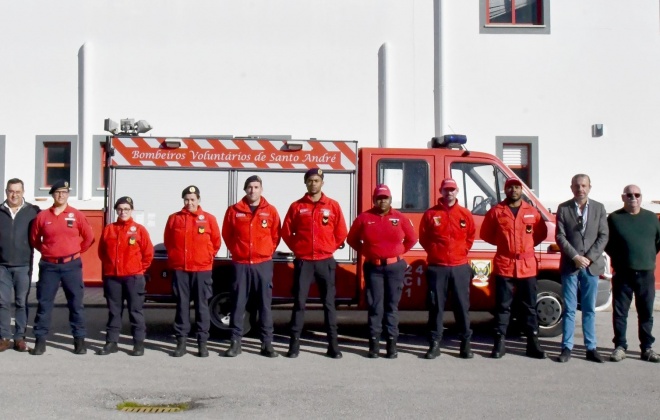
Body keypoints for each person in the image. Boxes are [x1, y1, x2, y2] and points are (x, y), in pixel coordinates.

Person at [282, 168, 348, 359]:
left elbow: (341, 231)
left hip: (324, 262)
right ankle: (294, 345)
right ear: (305, 183)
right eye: (310, 180)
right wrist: (298, 248)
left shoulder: (333, 205)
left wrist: (329, 248)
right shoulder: (296, 206)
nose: (313, 183)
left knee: (329, 304)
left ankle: (333, 346)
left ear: (322, 183)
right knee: (299, 303)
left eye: (317, 180)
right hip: (304, 262)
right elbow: (286, 231)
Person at [480, 177, 548, 359]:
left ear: (522, 190)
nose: (514, 191)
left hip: (527, 266)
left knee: (529, 307)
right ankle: (499, 343)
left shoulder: (532, 212)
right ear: (505, 190)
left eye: (517, 187)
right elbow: (486, 234)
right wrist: (505, 246)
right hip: (505, 265)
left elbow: (540, 234)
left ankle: (533, 343)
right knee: (503, 307)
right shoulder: (496, 212)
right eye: (510, 188)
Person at [347, 184, 417, 359]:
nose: (382, 201)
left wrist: (397, 253)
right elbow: (351, 239)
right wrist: (368, 253)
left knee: (391, 307)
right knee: (375, 307)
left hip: (395, 268)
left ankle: (392, 345)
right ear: (374, 200)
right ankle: (374, 345)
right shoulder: (364, 218)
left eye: (385, 198)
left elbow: (412, 239)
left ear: (390, 200)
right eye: (379, 198)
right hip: (374, 268)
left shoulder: (399, 218)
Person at [29, 180, 94, 355]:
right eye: (58, 192)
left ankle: (79, 341)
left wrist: (77, 252)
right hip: (49, 266)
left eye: (65, 192)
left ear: (68, 194)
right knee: (44, 304)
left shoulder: (76, 215)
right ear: (52, 194)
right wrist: (47, 251)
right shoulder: (42, 217)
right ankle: (40, 341)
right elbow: (34, 240)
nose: (61, 195)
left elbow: (89, 237)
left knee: (76, 304)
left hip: (71, 266)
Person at [222, 175, 281, 358]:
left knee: (265, 305)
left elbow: (275, 235)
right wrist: (238, 251)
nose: (252, 190)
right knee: (238, 304)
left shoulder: (270, 211)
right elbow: (227, 234)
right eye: (249, 187)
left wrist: (266, 251)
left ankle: (267, 344)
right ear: (245, 189)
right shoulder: (234, 210)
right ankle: (235, 342)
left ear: (261, 189)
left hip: (262, 264)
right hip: (241, 264)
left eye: (256, 187)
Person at [419, 178, 475, 359]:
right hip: (438, 268)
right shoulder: (430, 214)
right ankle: (434, 344)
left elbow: (471, 236)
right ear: (440, 191)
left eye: (452, 189)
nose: (449, 193)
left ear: (457, 191)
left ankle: (465, 344)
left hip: (460, 267)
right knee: (436, 307)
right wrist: (436, 253)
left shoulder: (465, 214)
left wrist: (462, 251)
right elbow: (424, 238)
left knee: (462, 307)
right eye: (446, 190)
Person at [555, 174, 608, 363]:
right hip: (571, 265)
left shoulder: (599, 208)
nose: (580, 189)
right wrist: (576, 257)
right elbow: (560, 237)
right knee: (569, 308)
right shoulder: (564, 208)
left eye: (584, 186)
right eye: (577, 186)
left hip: (591, 267)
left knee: (589, 309)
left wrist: (588, 258)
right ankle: (566, 347)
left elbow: (603, 236)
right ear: (571, 188)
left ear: (589, 187)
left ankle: (591, 347)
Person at [164, 185, 221, 358]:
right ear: (183, 200)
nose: (190, 202)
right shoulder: (174, 219)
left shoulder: (209, 219)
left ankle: (202, 344)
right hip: (181, 269)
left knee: (202, 307)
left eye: (193, 199)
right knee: (181, 306)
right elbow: (168, 241)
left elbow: (216, 242)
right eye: (187, 199)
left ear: (199, 200)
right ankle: (181, 342)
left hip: (202, 270)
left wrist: (206, 256)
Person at [606, 184, 660, 363]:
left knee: (646, 312)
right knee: (620, 312)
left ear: (641, 197)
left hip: (645, 273)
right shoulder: (614, 218)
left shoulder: (651, 218)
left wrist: (646, 257)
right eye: (629, 195)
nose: (633, 198)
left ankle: (647, 348)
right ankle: (620, 346)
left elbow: (657, 242)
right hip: (623, 273)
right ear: (623, 198)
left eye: (637, 195)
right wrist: (622, 259)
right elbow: (607, 243)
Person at [97, 196, 154, 356]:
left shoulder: (139, 230)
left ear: (131, 211)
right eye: (120, 209)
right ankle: (111, 342)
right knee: (114, 312)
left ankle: (138, 344)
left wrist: (138, 270)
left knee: (135, 311)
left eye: (126, 209)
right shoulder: (109, 229)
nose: (123, 212)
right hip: (113, 277)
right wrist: (110, 268)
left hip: (133, 278)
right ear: (116, 210)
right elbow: (102, 252)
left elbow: (148, 254)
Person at [0, 178, 40, 353]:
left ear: (23, 192)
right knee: (2, 303)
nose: (14, 194)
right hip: (2, 266)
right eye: (11, 191)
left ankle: (19, 338)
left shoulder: (33, 211)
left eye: (17, 191)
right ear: (6, 192)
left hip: (23, 265)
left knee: (21, 302)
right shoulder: (0, 211)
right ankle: (4, 337)